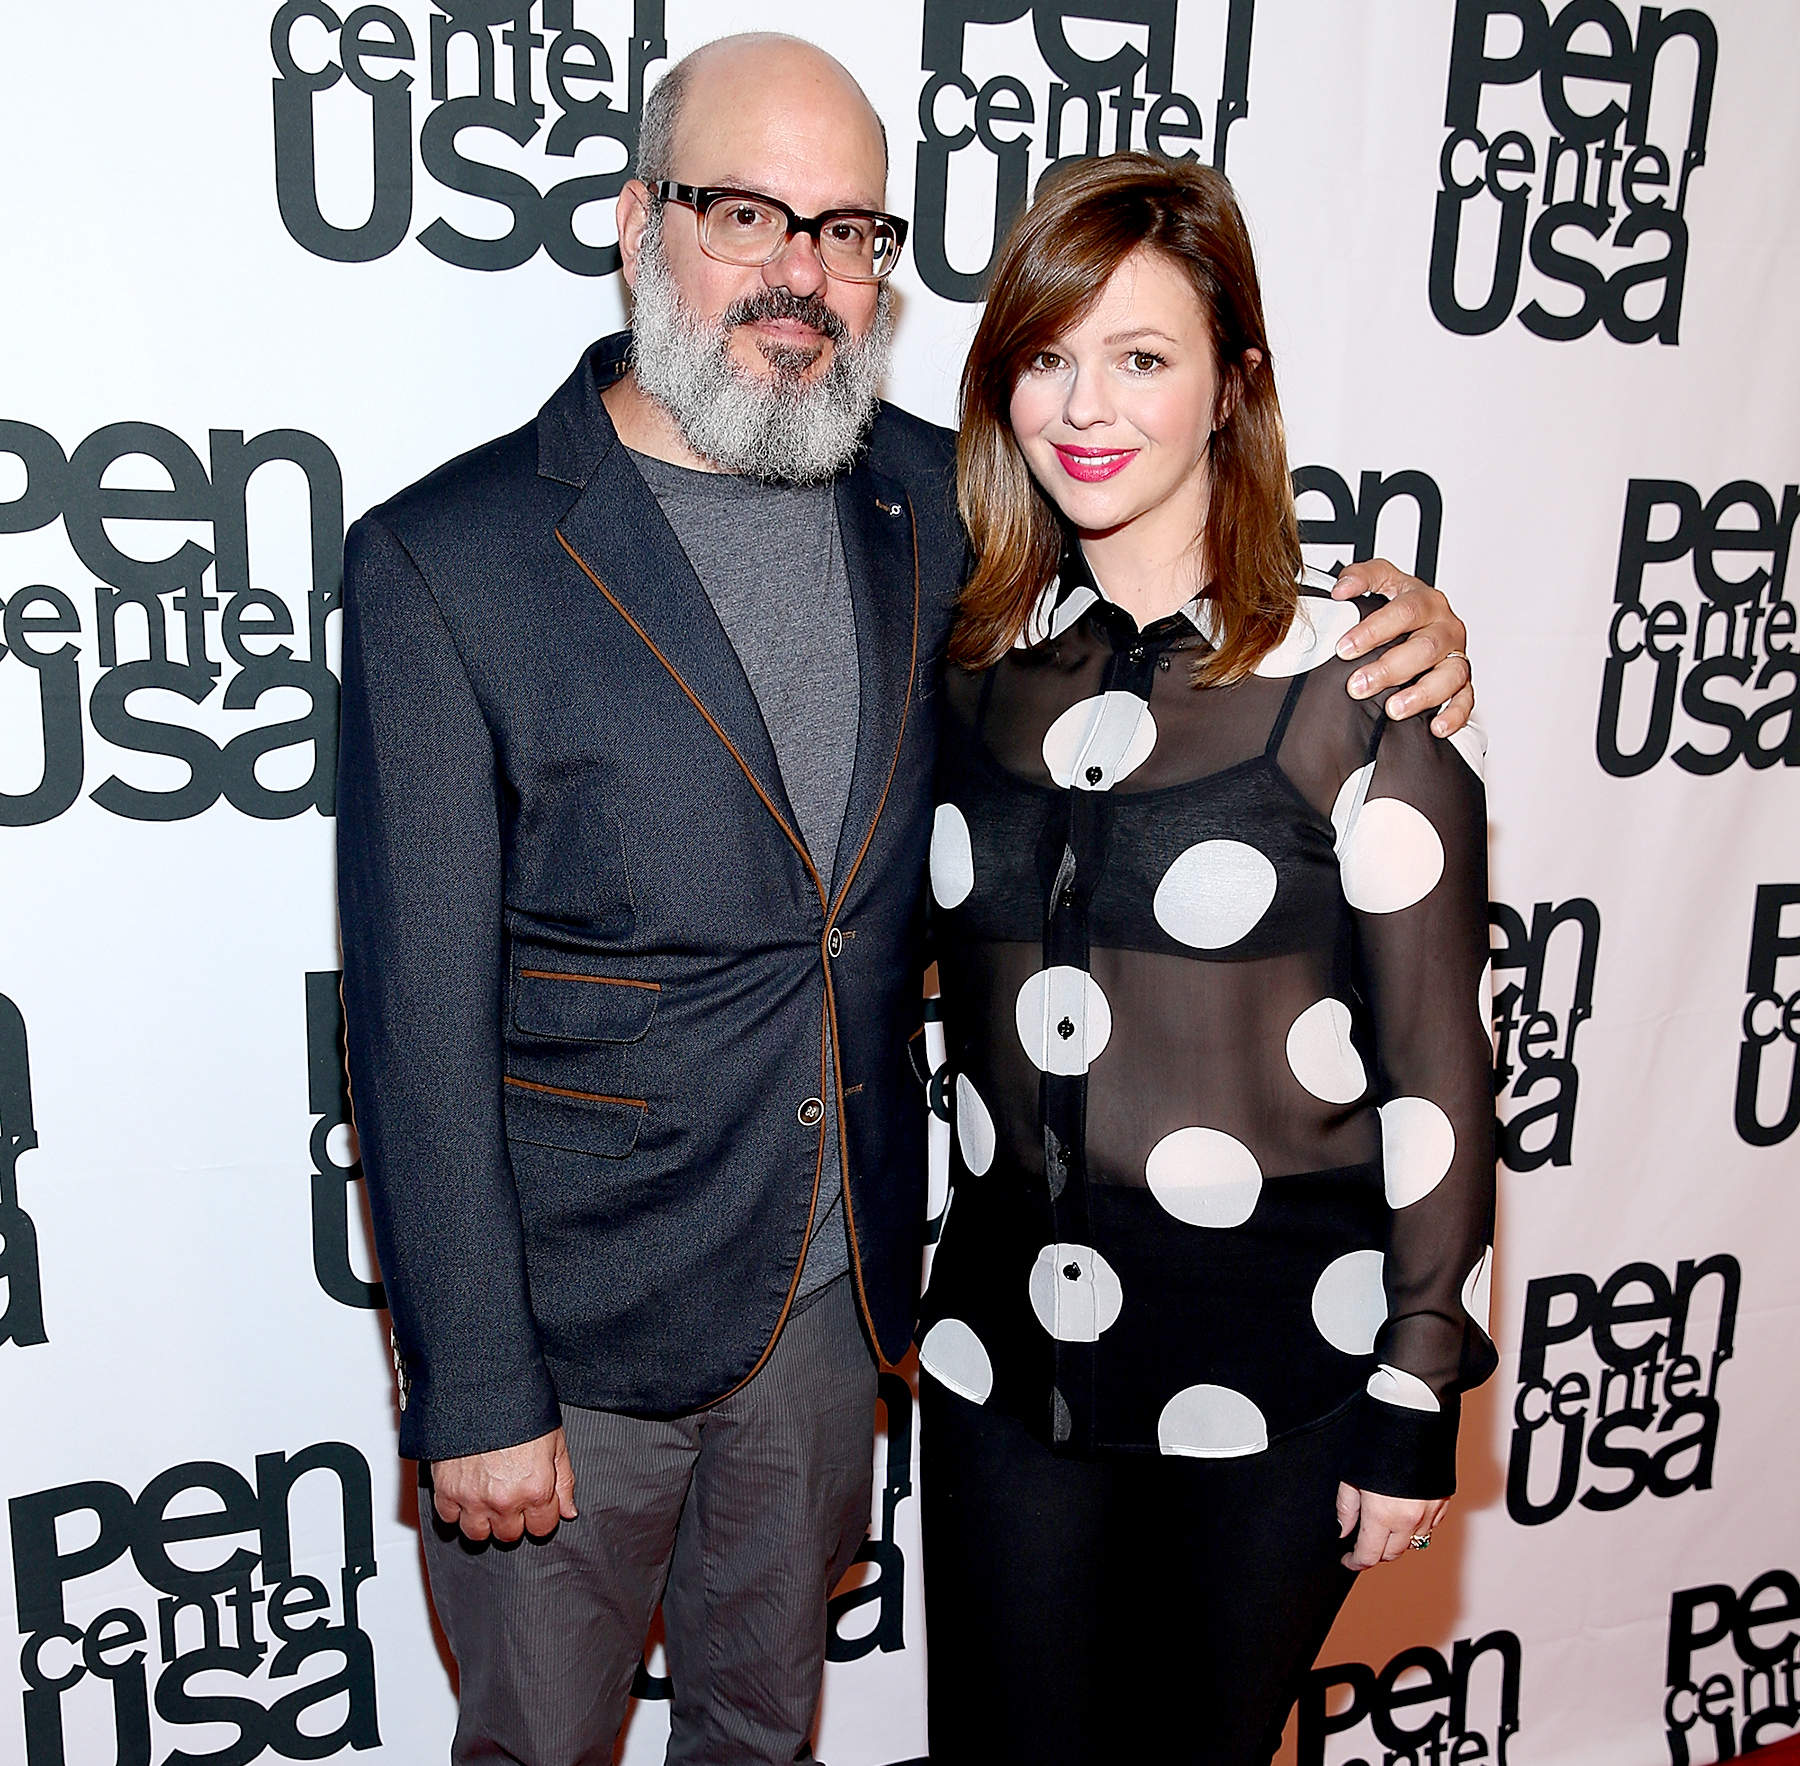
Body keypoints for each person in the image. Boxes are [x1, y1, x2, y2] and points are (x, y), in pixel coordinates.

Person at [335, 33, 1476, 1766]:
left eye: (851, 229)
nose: (800, 272)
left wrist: (1419, 625)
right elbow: (411, 1024)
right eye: (746, 214)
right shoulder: (452, 557)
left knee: (765, 1735)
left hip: (844, 1318)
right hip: (576, 1347)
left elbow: (1170, 533)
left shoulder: (938, 519)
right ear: (639, 222)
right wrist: (473, 1385)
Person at [916, 153, 1497, 1765]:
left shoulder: (1359, 684)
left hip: (1281, 1382)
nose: (1084, 404)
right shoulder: (967, 676)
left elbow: (1440, 1075)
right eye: (1046, 355)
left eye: (1143, 356)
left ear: (1235, 386)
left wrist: (1422, 1378)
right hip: (995, 1375)